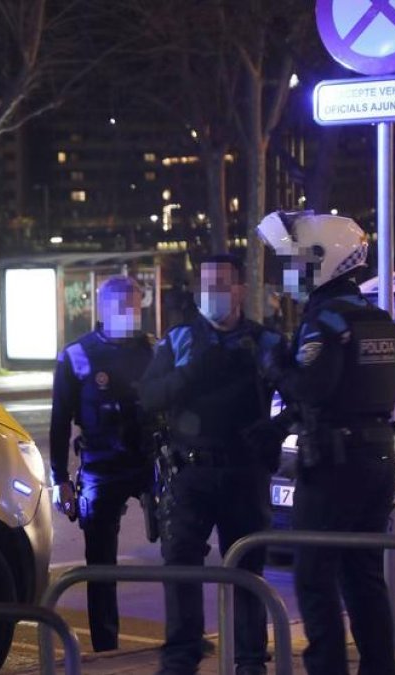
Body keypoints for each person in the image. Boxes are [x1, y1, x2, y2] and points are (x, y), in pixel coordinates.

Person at [257, 211, 395, 675]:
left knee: (315, 577)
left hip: (334, 469)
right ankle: (379, 668)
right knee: (364, 576)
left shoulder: (325, 322)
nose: (288, 274)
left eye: (296, 262)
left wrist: (276, 363)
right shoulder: (378, 320)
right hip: (376, 464)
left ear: (324, 261)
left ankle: (327, 668)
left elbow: (311, 390)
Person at [138, 254, 286, 675]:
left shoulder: (263, 342)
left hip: (245, 472)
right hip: (191, 472)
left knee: (247, 568)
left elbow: (301, 393)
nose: (214, 293)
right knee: (181, 567)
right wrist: (190, 375)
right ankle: (181, 658)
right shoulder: (181, 340)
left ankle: (251, 660)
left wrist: (276, 429)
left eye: (222, 284)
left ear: (240, 289)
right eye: (207, 285)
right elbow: (148, 397)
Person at [48, 275, 155, 653]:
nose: (129, 313)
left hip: (149, 463)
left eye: (134, 306)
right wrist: (60, 478)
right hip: (100, 466)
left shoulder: (152, 350)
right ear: (104, 308)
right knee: (100, 564)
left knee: (181, 550)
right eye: (121, 306)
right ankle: (106, 647)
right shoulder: (77, 354)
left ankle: (184, 635)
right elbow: (60, 420)